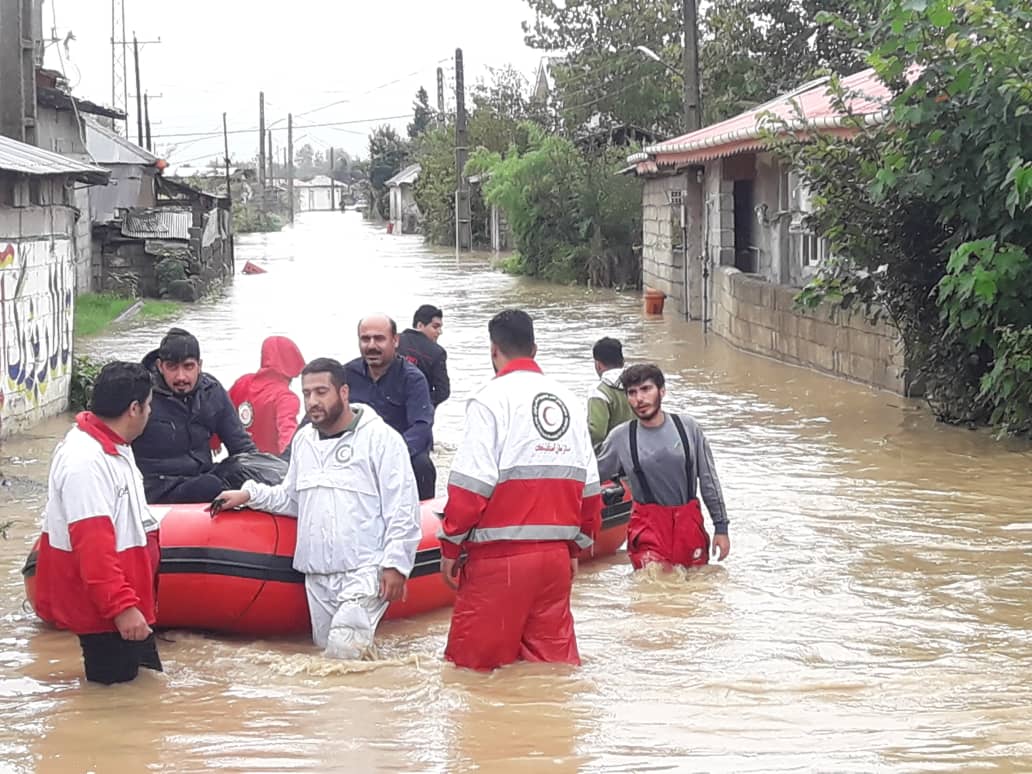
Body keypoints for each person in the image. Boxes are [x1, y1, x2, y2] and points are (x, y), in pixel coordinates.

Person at [213, 358, 422, 659]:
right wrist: (248, 495)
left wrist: (396, 564)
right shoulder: (304, 442)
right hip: (317, 574)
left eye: (321, 392)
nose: (313, 401)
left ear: (344, 392)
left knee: (341, 656)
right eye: (307, 393)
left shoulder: (382, 440)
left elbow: (402, 507)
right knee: (331, 665)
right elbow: (292, 499)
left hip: (366, 570)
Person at [439, 309, 602, 671]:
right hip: (556, 563)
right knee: (552, 671)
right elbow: (591, 492)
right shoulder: (570, 403)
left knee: (471, 673)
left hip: (500, 561)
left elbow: (470, 487)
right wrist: (575, 547)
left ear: (494, 350)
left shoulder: (490, 400)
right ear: (535, 349)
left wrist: (451, 546)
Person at [35, 361, 163, 685]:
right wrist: (122, 608)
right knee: (117, 703)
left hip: (126, 601)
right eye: (148, 406)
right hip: (108, 614)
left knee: (147, 691)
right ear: (134, 408)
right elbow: (93, 547)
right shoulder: (86, 462)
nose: (150, 413)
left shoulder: (116, 447)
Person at [596, 364, 730, 570]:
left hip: (689, 527)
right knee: (654, 586)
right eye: (632, 392)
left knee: (693, 590)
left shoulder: (688, 427)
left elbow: (708, 479)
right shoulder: (620, 438)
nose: (639, 399)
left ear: (662, 391)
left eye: (646, 389)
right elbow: (591, 477)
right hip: (647, 530)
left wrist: (721, 528)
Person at [133, 328, 256, 504]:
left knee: (250, 473)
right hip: (158, 485)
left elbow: (241, 445)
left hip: (203, 475)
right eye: (172, 367)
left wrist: (257, 475)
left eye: (188, 366)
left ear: (200, 365)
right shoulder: (142, 395)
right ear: (160, 367)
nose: (181, 376)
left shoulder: (212, 391)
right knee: (209, 486)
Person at [345, 315, 436, 500]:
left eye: (379, 338)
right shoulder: (346, 375)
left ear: (395, 341)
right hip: (354, 454)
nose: (371, 345)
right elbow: (324, 414)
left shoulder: (413, 379)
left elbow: (421, 427)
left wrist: (387, 455)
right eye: (365, 339)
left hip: (400, 454)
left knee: (423, 464)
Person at [228, 336, 306, 456]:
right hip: (270, 468)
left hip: (239, 462)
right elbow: (287, 433)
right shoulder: (285, 398)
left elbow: (220, 412)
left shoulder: (242, 382)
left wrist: (214, 441)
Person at [398, 304, 450, 408]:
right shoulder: (437, 352)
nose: (439, 332)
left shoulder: (394, 341)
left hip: (388, 408)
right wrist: (420, 402)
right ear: (420, 326)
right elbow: (443, 391)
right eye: (435, 327)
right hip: (419, 414)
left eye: (440, 327)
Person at [587, 336, 635, 451]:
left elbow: (597, 433)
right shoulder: (638, 384)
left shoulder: (599, 391)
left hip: (613, 455)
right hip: (639, 450)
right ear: (623, 362)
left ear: (598, 365)